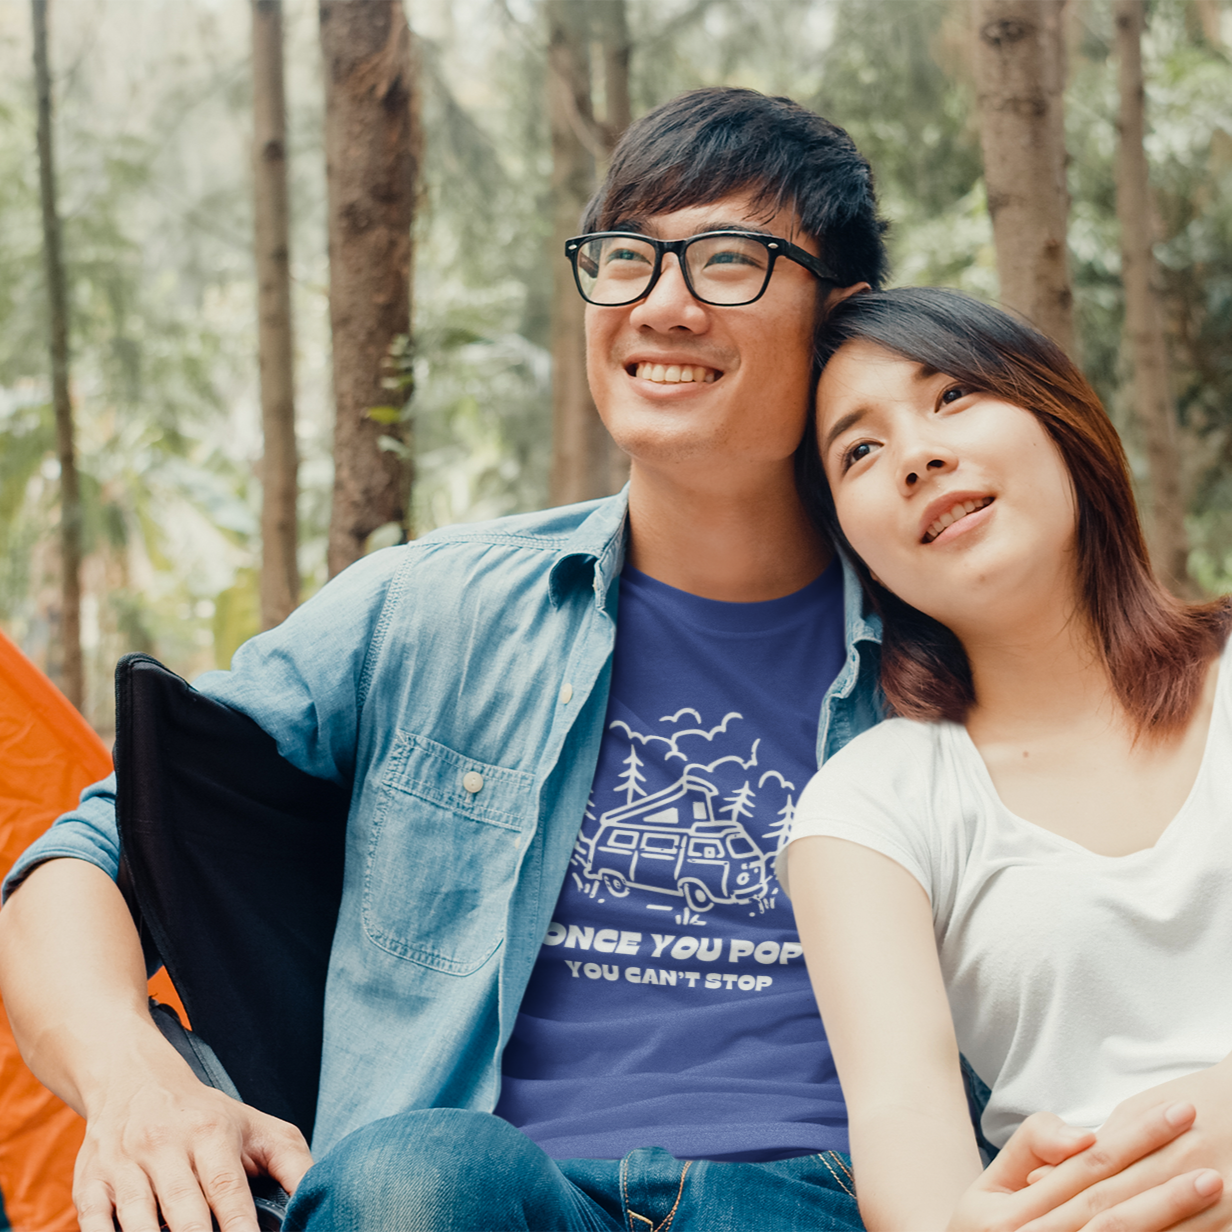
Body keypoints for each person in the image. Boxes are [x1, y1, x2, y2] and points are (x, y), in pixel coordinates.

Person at [0, 93, 1214, 1232]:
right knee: (417, 1173)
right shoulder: (435, 611)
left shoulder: (944, 623)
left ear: (834, 313)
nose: (660, 304)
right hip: (476, 1189)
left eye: (726, 260)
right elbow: (89, 848)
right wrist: (135, 1080)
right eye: (622, 256)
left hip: (829, 1193)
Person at [784, 285, 1232, 1232]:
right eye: (858, 451)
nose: (917, 456)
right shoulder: (868, 809)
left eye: (951, 396)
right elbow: (912, 1152)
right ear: (853, 547)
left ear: (1059, 415)